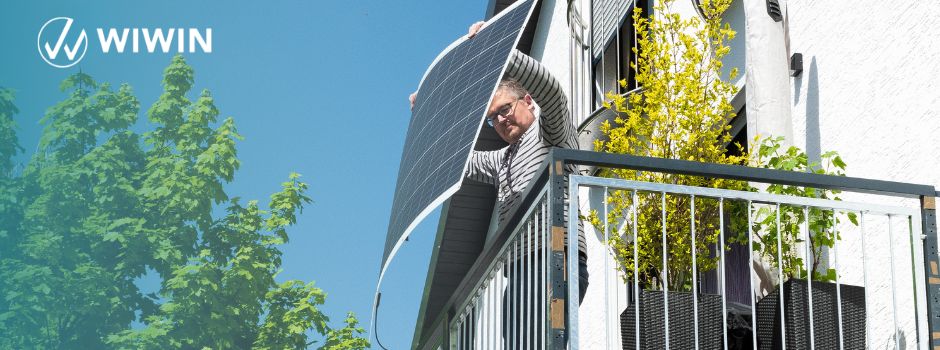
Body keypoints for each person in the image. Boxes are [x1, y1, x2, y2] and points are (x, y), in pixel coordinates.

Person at [411, 21, 587, 348]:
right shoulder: (501, 159)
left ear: (526, 101)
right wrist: (428, 112)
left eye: (505, 109)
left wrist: (501, 51)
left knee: (549, 340)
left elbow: (553, 91)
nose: (501, 120)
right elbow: (459, 159)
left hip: (555, 257)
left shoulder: (550, 132)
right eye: (494, 117)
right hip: (520, 271)